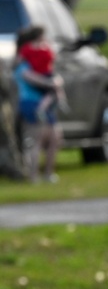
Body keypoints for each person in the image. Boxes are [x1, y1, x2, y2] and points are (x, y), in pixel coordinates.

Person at [14, 26, 63, 183]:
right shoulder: (23, 64)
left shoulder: (40, 62)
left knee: (55, 137)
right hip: (30, 102)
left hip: (44, 103)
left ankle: (49, 173)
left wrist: (55, 81)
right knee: (37, 139)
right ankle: (33, 175)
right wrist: (51, 83)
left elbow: (53, 74)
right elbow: (30, 78)